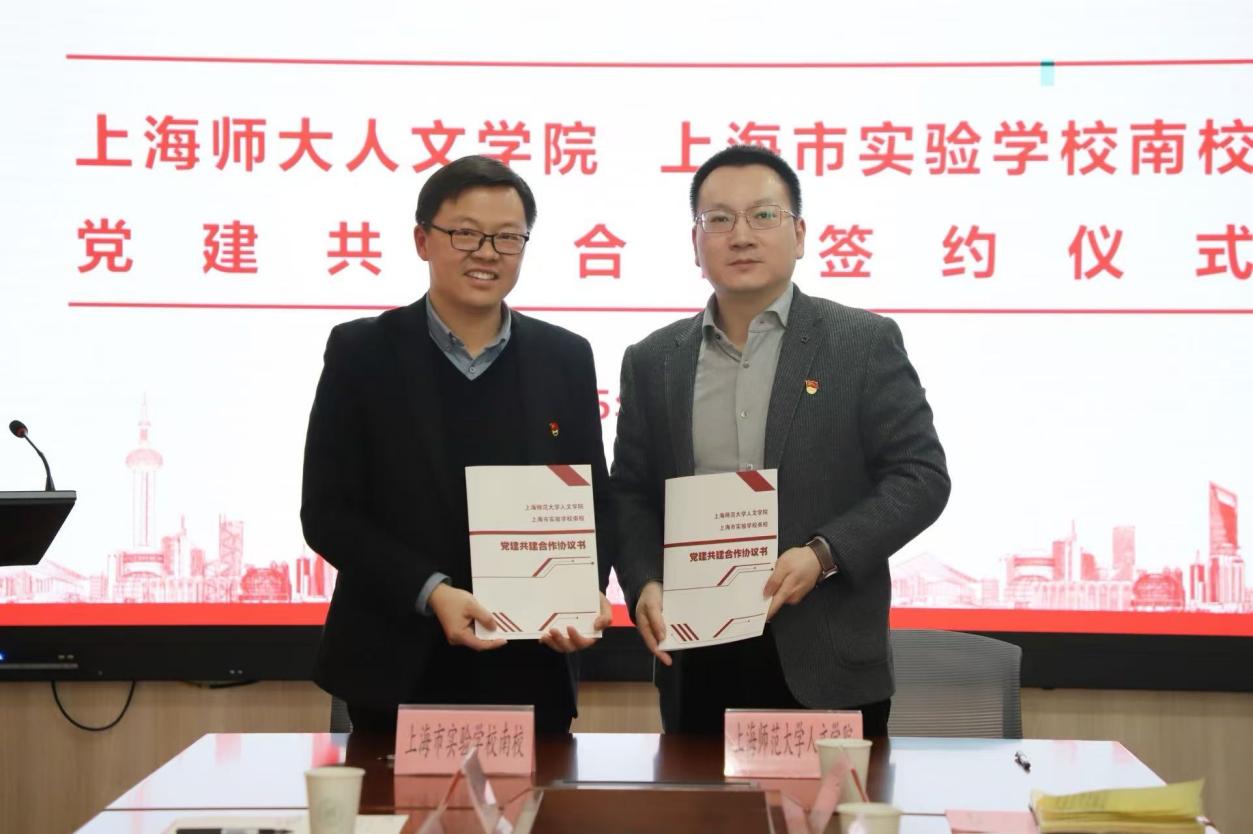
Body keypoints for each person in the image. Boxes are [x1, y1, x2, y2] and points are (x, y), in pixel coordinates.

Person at [610, 145, 950, 735]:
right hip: (697, 657)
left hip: (826, 656)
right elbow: (631, 493)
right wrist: (644, 581)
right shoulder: (653, 360)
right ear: (695, 243)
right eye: (719, 219)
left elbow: (921, 478)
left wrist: (823, 554)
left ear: (799, 234)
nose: (741, 235)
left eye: (763, 215)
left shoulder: (861, 342)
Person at [302, 155, 613, 734]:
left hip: (531, 666)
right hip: (395, 667)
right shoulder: (362, 353)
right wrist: (432, 593)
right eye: (465, 233)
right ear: (422, 240)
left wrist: (583, 591)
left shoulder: (565, 357)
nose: (487, 252)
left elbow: (595, 501)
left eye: (507, 237)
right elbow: (327, 514)